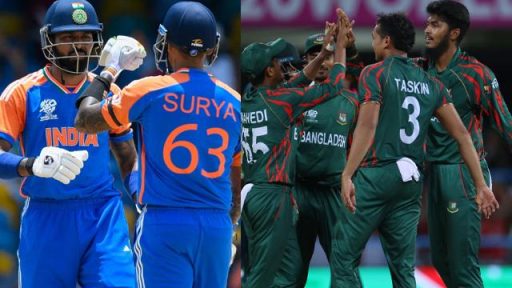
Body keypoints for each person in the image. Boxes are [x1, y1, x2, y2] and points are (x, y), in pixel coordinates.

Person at [74, 2, 241, 287]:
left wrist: (109, 70)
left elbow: (85, 120)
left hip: (165, 224)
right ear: (210, 49)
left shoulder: (148, 88)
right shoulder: (235, 101)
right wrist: (228, 229)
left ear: (168, 42)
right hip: (217, 227)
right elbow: (235, 184)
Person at [333, 12, 498, 288]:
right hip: (411, 182)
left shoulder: (374, 73)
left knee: (343, 255)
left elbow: (367, 126)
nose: (372, 43)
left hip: (377, 175)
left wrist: (348, 173)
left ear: (386, 41)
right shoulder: (431, 83)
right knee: (403, 268)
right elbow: (462, 135)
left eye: (374, 38)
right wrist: (481, 185)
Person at [0, 0, 138, 287]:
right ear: (49, 42)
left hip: (102, 214)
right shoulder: (22, 92)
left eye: (85, 37)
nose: (78, 46)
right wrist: (33, 165)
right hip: (45, 214)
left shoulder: (111, 90)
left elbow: (127, 155)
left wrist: (142, 199)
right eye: (68, 38)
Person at [240, 10, 349, 288]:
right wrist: (339, 50)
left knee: (272, 272)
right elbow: (335, 86)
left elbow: (296, 81)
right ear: (269, 71)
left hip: (252, 194)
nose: (283, 65)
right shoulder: (282, 101)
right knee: (263, 277)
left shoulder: (251, 98)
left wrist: (324, 53)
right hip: (274, 196)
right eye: (278, 62)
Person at [421, 1, 510, 286]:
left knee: (463, 266)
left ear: (455, 33)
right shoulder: (421, 70)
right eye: (427, 23)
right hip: (432, 173)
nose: (427, 29)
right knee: (441, 262)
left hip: (462, 173)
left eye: (436, 24)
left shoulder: (477, 74)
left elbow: (506, 125)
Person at [293, 32, 360, 287]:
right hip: (299, 193)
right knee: (292, 271)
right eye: (314, 55)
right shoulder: (294, 97)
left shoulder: (352, 102)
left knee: (344, 269)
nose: (322, 62)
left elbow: (361, 148)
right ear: (306, 61)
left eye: (328, 56)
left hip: (334, 195)